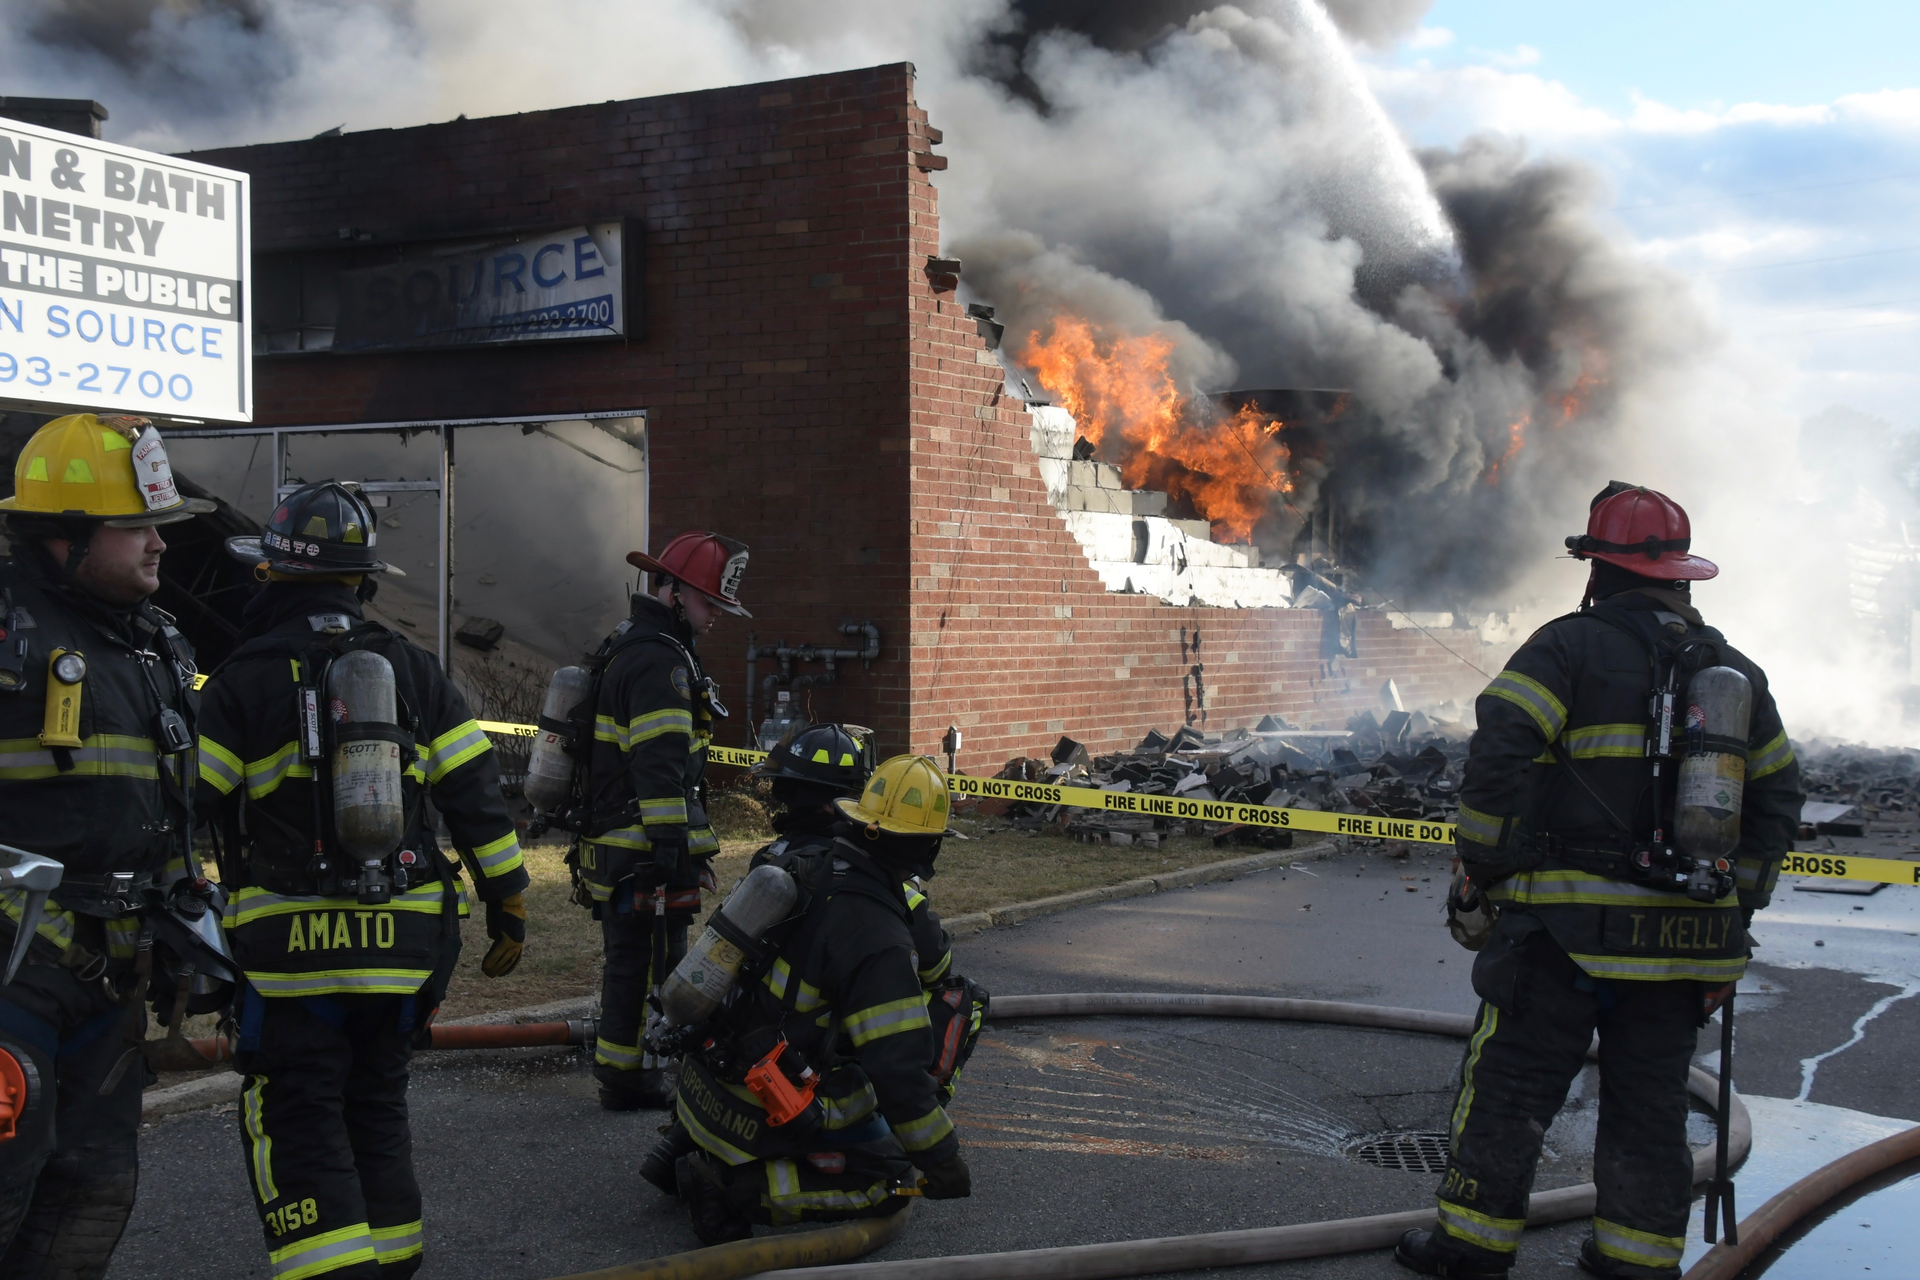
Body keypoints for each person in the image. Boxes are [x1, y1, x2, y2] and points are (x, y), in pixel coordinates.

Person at [1396, 485, 1803, 1280]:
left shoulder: (1564, 649)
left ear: (1597, 569)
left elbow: (1501, 752)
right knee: (1651, 1109)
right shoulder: (1733, 674)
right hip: (1684, 940)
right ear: (1682, 579)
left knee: (1510, 1086)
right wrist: (1733, 913)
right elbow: (1778, 798)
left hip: (1561, 934)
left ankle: (1471, 1250)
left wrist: (1485, 866)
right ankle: (1636, 1262)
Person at [195, 481, 528, 1280]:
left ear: (270, 576)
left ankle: (331, 1272)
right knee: (376, 1103)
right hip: (404, 945)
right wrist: (507, 904)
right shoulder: (412, 669)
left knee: (298, 1110)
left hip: (291, 956)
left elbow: (187, 804)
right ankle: (394, 1257)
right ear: (363, 580)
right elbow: (477, 800)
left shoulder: (243, 677)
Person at [0, 413, 213, 1279]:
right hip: (14, 974)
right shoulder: (8, 632)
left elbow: (166, 803)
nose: (160, 544)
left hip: (114, 974)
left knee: (89, 1191)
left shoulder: (155, 643)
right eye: (138, 525)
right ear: (66, 536)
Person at [669, 754, 975, 1244]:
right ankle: (734, 1189)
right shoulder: (877, 936)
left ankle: (684, 1151)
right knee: (891, 1183)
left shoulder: (800, 864)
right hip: (768, 1102)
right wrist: (940, 1160)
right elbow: (896, 1069)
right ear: (928, 846)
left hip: (708, 1082)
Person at [574, 531, 748, 1110]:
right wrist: (673, 849)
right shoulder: (660, 663)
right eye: (707, 601)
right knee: (649, 963)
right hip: (645, 849)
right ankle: (631, 1078)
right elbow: (661, 763)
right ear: (670, 591)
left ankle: (626, 1070)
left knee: (637, 961)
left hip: (627, 844)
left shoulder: (640, 644)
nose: (715, 616)